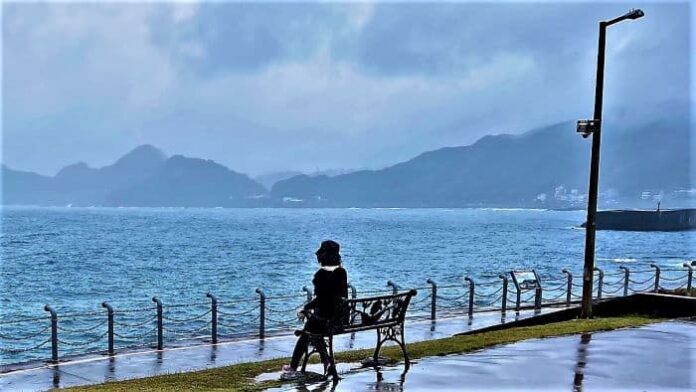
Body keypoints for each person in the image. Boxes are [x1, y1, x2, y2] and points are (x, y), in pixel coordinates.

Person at [282, 240, 348, 375]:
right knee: (313, 329)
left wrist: (304, 308)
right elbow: (340, 297)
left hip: (326, 321)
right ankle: (326, 360)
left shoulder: (320, 275)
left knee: (306, 334)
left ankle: (293, 366)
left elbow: (320, 300)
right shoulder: (342, 272)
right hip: (340, 321)